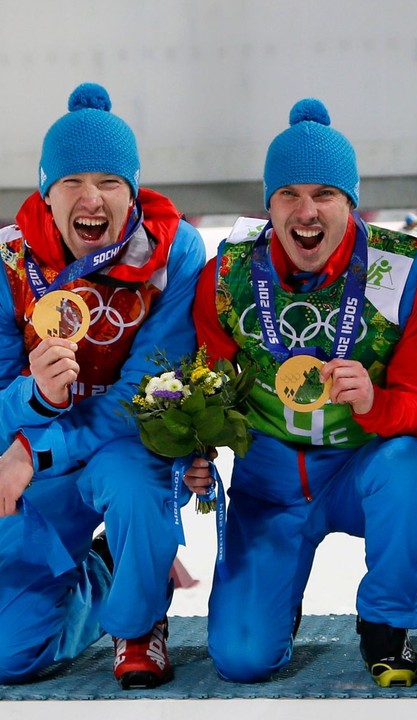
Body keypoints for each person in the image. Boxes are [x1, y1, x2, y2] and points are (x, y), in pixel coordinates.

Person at [190, 98, 417, 687]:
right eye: (289, 195)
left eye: (325, 195)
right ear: (269, 204)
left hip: (360, 467)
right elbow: (206, 392)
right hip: (269, 485)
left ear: (350, 203)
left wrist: (376, 404)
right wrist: (195, 450)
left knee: (410, 465)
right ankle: (276, 597)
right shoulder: (225, 277)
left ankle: (386, 624)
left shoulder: (402, 270)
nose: (306, 212)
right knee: (242, 660)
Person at [0, 83, 206, 688]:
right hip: (32, 459)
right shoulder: (9, 263)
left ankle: (138, 625)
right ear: (46, 191)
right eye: (72, 183)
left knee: (135, 489)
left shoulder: (175, 250)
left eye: (111, 182)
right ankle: (104, 571)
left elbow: (150, 391)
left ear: (133, 190)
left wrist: (36, 446)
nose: (92, 198)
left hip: (113, 445)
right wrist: (32, 400)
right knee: (11, 659)